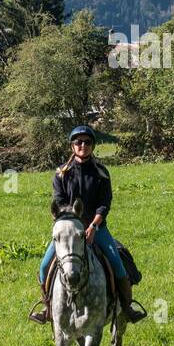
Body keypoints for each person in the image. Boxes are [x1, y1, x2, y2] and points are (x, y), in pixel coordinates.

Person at [29, 125, 148, 324]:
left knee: (118, 265)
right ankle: (47, 308)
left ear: (92, 145)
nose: (82, 145)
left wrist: (93, 226)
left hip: (97, 228)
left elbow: (104, 203)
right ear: (72, 146)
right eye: (78, 142)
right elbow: (59, 202)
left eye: (87, 142)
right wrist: (73, 225)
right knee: (43, 267)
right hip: (69, 231)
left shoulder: (101, 173)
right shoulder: (62, 173)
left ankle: (127, 307)